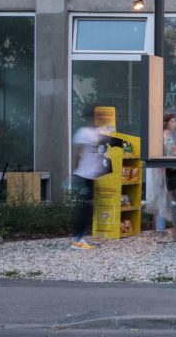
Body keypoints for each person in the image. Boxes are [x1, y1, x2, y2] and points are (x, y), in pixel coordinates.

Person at [69, 104, 105, 250]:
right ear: (91, 116)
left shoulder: (97, 132)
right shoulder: (83, 133)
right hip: (83, 176)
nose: (101, 117)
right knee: (84, 208)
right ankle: (76, 240)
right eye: (98, 115)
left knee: (89, 208)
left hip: (91, 176)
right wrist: (75, 172)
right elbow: (76, 154)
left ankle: (79, 236)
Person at [148, 113, 176, 242]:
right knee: (165, 201)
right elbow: (169, 153)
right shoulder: (165, 136)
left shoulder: (168, 135)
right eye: (172, 121)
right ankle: (162, 233)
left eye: (175, 121)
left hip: (169, 171)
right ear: (166, 123)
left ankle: (174, 230)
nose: (175, 123)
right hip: (164, 172)